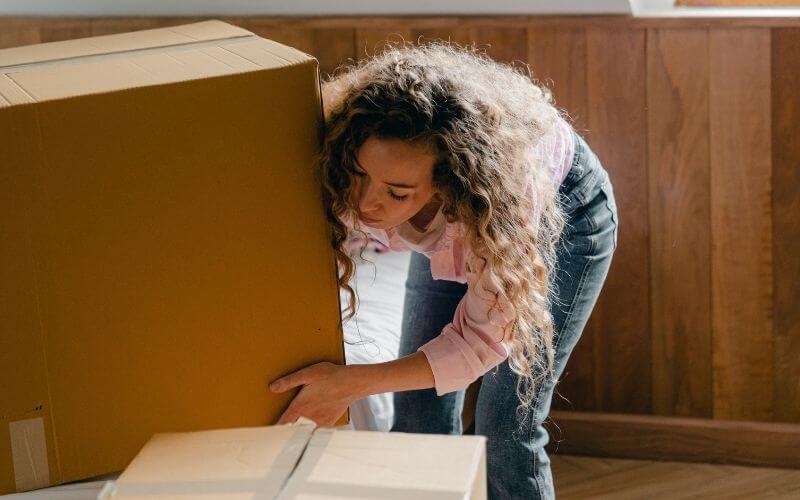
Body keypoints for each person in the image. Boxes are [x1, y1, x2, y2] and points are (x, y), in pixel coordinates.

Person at [269, 41, 618, 499]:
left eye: (396, 193)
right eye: (359, 175)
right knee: (416, 412)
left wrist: (351, 384)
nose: (366, 204)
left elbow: (481, 342)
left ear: (445, 185)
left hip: (563, 213)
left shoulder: (498, 201)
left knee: (506, 428)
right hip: (470, 220)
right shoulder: (348, 166)